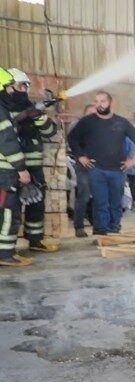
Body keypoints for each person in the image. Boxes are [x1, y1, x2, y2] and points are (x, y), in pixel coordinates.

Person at [67, 91, 135, 235]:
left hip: (118, 170)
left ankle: (114, 227)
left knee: (116, 202)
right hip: (96, 169)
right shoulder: (87, 121)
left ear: (111, 103)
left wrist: (132, 161)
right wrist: (81, 156)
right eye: (96, 101)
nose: (99, 104)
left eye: (102, 101)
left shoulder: (122, 122)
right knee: (100, 202)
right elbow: (72, 138)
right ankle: (100, 230)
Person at [3, 68, 60, 252]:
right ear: (10, 87)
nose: (23, 89)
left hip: (33, 166)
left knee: (36, 202)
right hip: (13, 168)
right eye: (21, 85)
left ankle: (35, 240)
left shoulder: (31, 108)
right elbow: (7, 135)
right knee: (12, 207)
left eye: (26, 86)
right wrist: (21, 118)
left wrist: (38, 116)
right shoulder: (4, 108)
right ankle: (6, 250)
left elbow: (51, 132)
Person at [0, 67, 33, 267]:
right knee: (8, 212)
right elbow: (7, 141)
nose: (12, 91)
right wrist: (21, 169)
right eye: (8, 87)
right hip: (4, 173)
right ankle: (5, 254)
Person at [68, 103, 96, 237]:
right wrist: (81, 156)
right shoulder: (77, 125)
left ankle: (98, 225)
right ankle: (78, 227)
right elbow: (72, 141)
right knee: (84, 195)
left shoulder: (100, 126)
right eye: (90, 112)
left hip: (98, 165)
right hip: (83, 165)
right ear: (84, 114)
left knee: (99, 196)